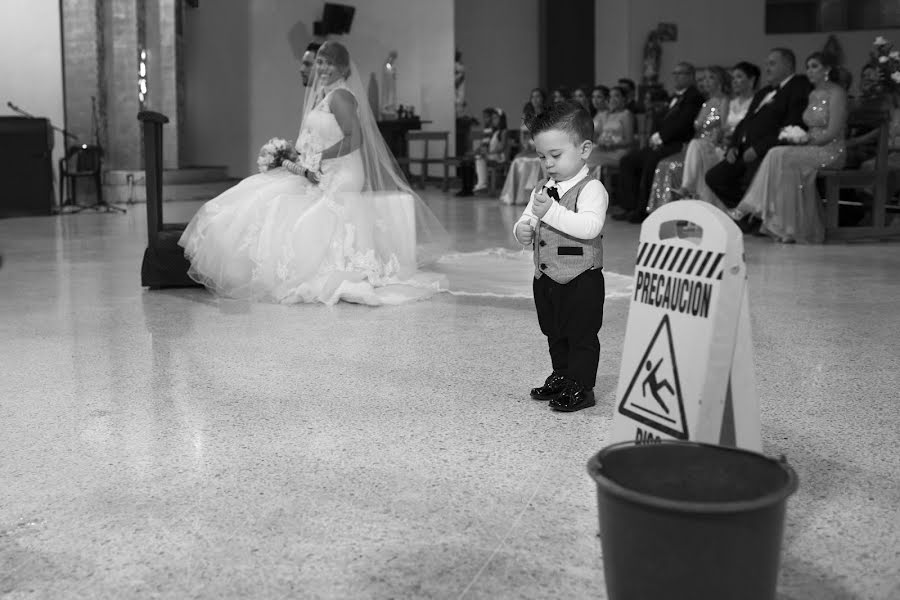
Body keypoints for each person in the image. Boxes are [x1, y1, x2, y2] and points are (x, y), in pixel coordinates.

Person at [178, 41, 450, 305]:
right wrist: (300, 157)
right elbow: (317, 137)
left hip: (342, 173)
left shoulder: (341, 96)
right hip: (322, 169)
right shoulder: (324, 96)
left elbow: (354, 140)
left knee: (290, 210)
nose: (323, 67)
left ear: (344, 69)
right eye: (320, 61)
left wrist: (320, 157)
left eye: (330, 63)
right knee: (262, 194)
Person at [512, 101, 609, 413]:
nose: (548, 164)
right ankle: (562, 375)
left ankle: (582, 386)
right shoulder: (543, 187)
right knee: (554, 330)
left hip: (581, 277)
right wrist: (521, 230)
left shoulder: (592, 189)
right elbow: (527, 217)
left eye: (555, 155)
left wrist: (551, 211)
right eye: (542, 157)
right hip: (546, 276)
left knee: (581, 333)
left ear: (583, 150)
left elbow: (590, 226)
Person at [728, 52, 847, 243]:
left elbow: (832, 132)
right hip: (810, 148)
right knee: (777, 154)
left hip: (830, 150)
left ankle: (752, 206)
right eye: (807, 66)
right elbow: (808, 126)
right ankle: (786, 228)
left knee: (779, 155)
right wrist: (797, 138)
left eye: (815, 66)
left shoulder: (836, 93)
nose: (809, 70)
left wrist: (803, 141)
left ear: (827, 70)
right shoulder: (814, 94)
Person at [704, 48, 812, 221]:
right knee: (715, 177)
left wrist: (758, 148)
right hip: (743, 149)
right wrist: (733, 145)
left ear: (788, 65)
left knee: (751, 172)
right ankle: (749, 217)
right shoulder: (763, 92)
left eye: (772, 63)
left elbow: (792, 125)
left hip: (767, 150)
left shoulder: (798, 87)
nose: (767, 68)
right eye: (767, 64)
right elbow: (745, 122)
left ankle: (753, 217)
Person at [614, 62, 704, 223]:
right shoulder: (675, 97)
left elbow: (684, 123)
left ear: (691, 76)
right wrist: (656, 135)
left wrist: (661, 137)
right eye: (674, 73)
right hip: (664, 141)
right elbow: (667, 119)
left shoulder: (694, 97)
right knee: (628, 161)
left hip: (678, 143)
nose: (676, 77)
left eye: (681, 73)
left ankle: (644, 210)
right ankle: (630, 206)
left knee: (651, 162)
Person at [647, 66, 731, 212]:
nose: (706, 82)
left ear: (721, 80)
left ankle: (686, 189)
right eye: (704, 78)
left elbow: (724, 128)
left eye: (711, 78)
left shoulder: (724, 101)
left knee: (673, 164)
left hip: (713, 147)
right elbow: (696, 131)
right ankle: (663, 211)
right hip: (697, 146)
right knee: (664, 164)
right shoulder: (706, 103)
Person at [500, 89, 547, 205]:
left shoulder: (548, 115)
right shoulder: (527, 117)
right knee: (518, 161)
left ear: (543, 99)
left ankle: (538, 194)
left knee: (536, 162)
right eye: (533, 97)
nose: (535, 99)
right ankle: (520, 195)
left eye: (538, 96)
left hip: (543, 149)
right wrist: (527, 144)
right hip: (529, 149)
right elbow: (523, 135)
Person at [473, 108, 508, 194]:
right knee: (479, 156)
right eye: (493, 118)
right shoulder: (494, 131)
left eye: (496, 118)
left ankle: (483, 183)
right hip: (493, 155)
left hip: (499, 157)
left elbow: (502, 147)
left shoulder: (504, 132)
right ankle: (481, 182)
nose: (494, 120)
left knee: (481, 158)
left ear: (501, 119)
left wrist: (490, 152)